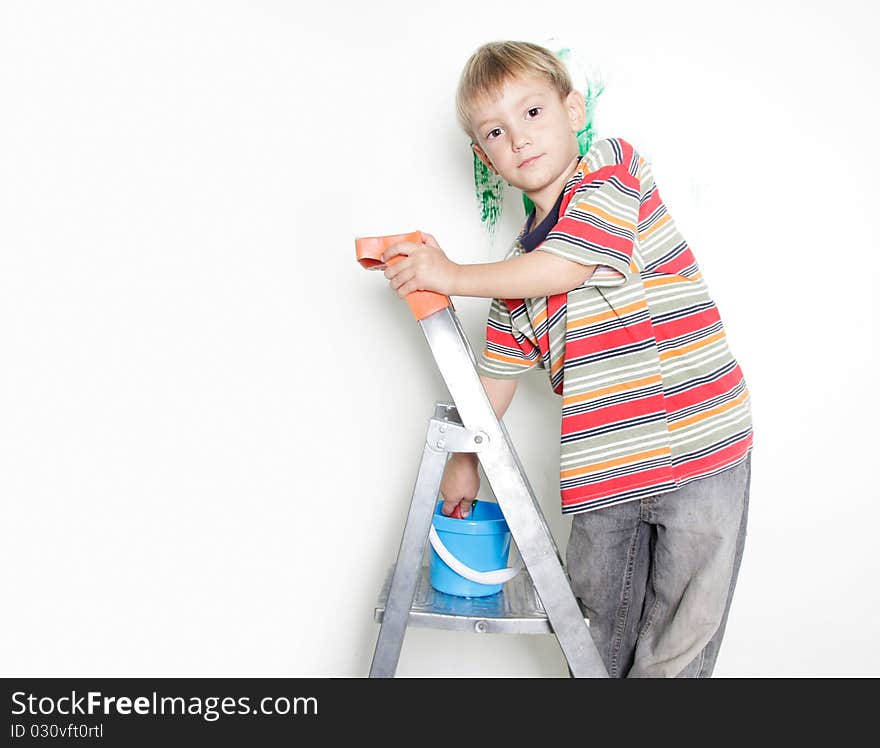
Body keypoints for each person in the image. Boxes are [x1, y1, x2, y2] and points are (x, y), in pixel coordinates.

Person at [380, 41, 753, 678]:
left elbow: (574, 260)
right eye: (496, 131)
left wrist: (451, 273)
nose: (519, 139)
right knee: (594, 643)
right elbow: (495, 379)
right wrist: (464, 462)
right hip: (605, 473)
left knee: (681, 641)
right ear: (484, 156)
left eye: (532, 113)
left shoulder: (613, 170)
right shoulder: (512, 281)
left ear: (572, 109)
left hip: (702, 446)